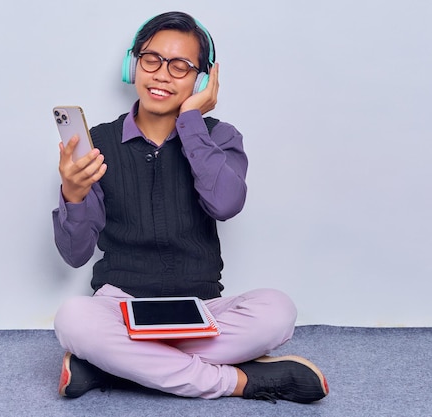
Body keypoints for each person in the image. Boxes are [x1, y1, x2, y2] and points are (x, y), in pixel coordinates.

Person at [52, 11, 329, 404]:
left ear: (202, 81)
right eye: (152, 59)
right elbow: (75, 254)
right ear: (134, 65)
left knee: (278, 310)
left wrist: (191, 122)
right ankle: (237, 382)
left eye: (180, 67)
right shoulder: (96, 143)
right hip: (119, 306)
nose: (162, 75)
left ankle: (117, 366)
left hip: (203, 310)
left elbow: (226, 204)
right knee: (73, 319)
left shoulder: (221, 137)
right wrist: (73, 193)